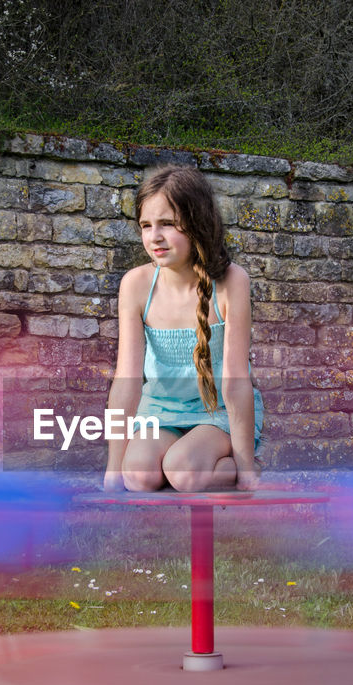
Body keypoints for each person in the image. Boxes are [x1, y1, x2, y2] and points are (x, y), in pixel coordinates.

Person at [102, 165, 263, 492]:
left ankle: (224, 464)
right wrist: (112, 470)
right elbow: (126, 383)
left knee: (183, 471)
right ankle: (181, 464)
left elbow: (235, 383)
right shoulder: (136, 285)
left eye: (167, 225)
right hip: (160, 413)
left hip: (216, 415)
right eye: (146, 225)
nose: (154, 237)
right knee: (138, 475)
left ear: (196, 225)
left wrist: (245, 469)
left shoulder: (231, 282)